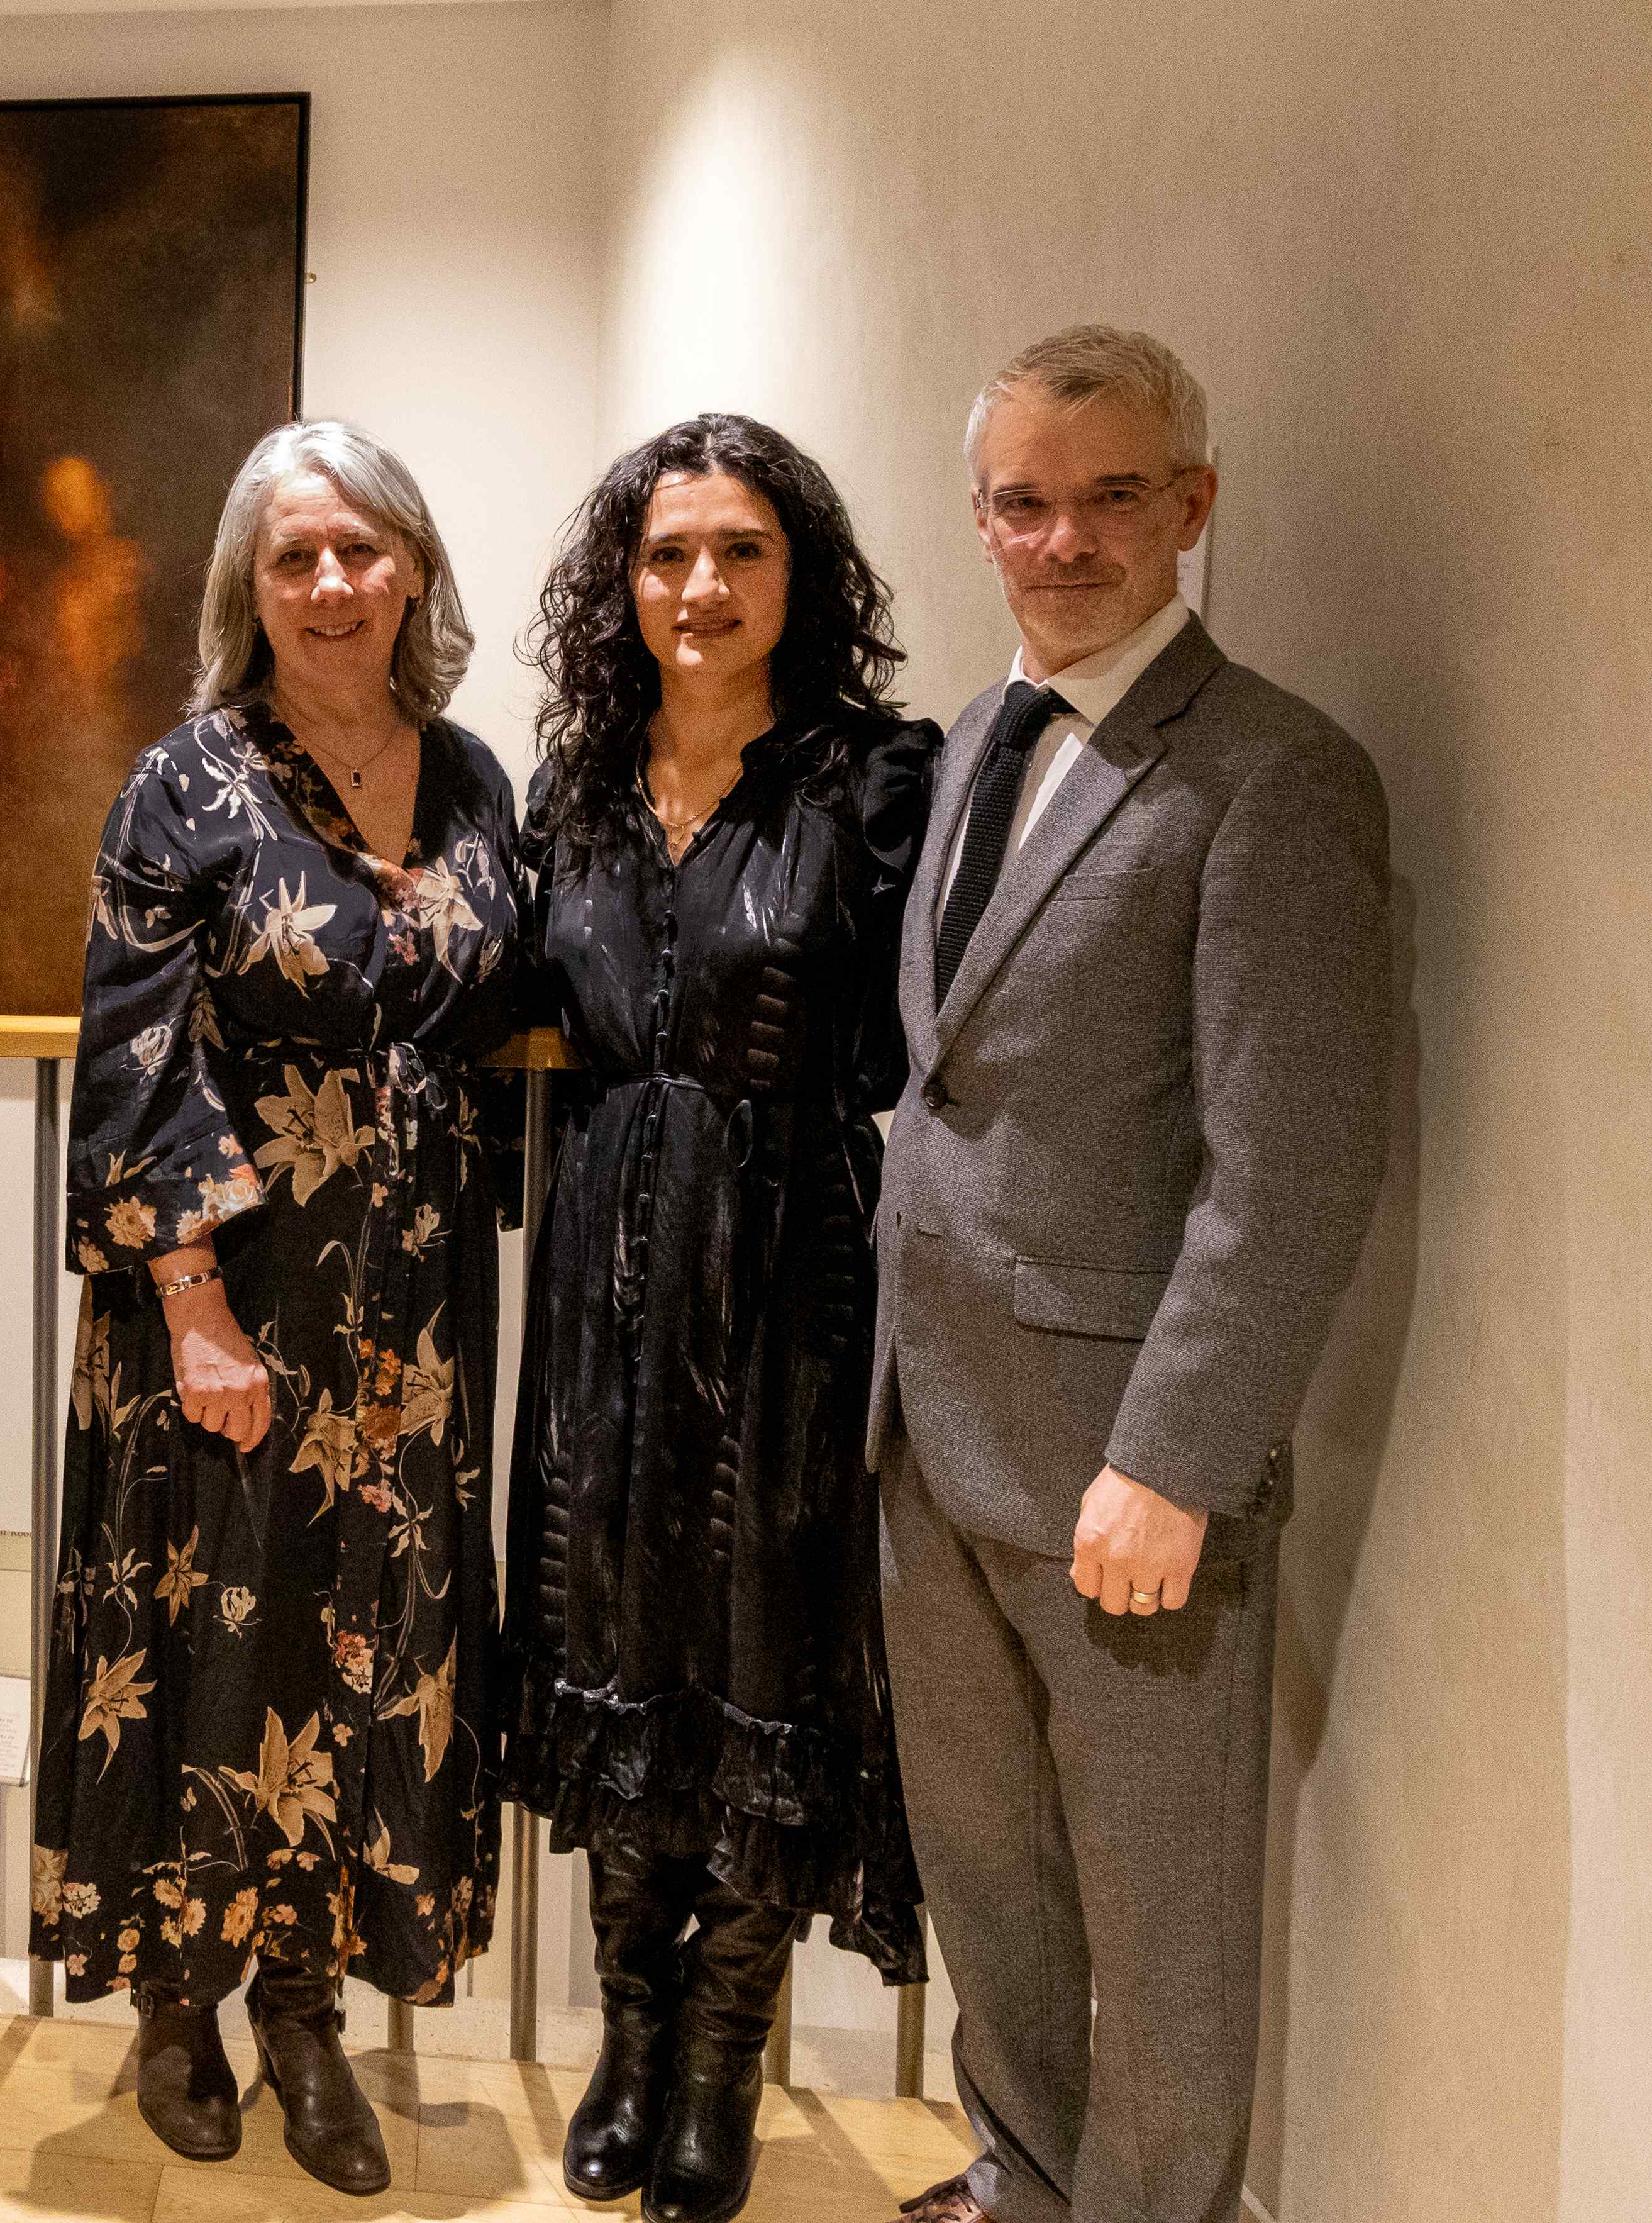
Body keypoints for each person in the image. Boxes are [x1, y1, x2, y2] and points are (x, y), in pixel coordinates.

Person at [873, 326, 1390, 2223]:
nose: (1064, 539)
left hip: (1122, 1468)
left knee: (1160, 1920)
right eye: (1024, 502)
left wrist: (1175, 1458)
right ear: (981, 518)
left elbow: (1295, 1163)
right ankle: (1021, 2180)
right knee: (992, 1875)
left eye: (1111, 498)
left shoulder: (1275, 774)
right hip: (931, 1439)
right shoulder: (973, 744)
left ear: (1195, 505)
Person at [33, 420, 517, 2197]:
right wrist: (189, 1305)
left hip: (414, 1316)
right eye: (295, 555)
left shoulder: (474, 779)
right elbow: (136, 1052)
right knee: (214, 1634)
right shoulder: (185, 785)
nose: (330, 585)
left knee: (367, 1639)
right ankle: (181, 2002)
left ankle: (308, 2010)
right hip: (228, 1301)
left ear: (414, 570)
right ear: (249, 583)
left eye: (361, 550)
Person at [499, 415, 938, 2223]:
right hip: (604, 1267)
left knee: (769, 1630)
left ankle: (720, 2057)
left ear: (798, 575)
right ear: (624, 581)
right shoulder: (578, 788)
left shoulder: (878, 780)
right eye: (668, 553)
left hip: (787, 1271)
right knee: (614, 1612)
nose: (701, 586)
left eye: (741, 550)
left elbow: (916, 1043)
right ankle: (632, 2027)